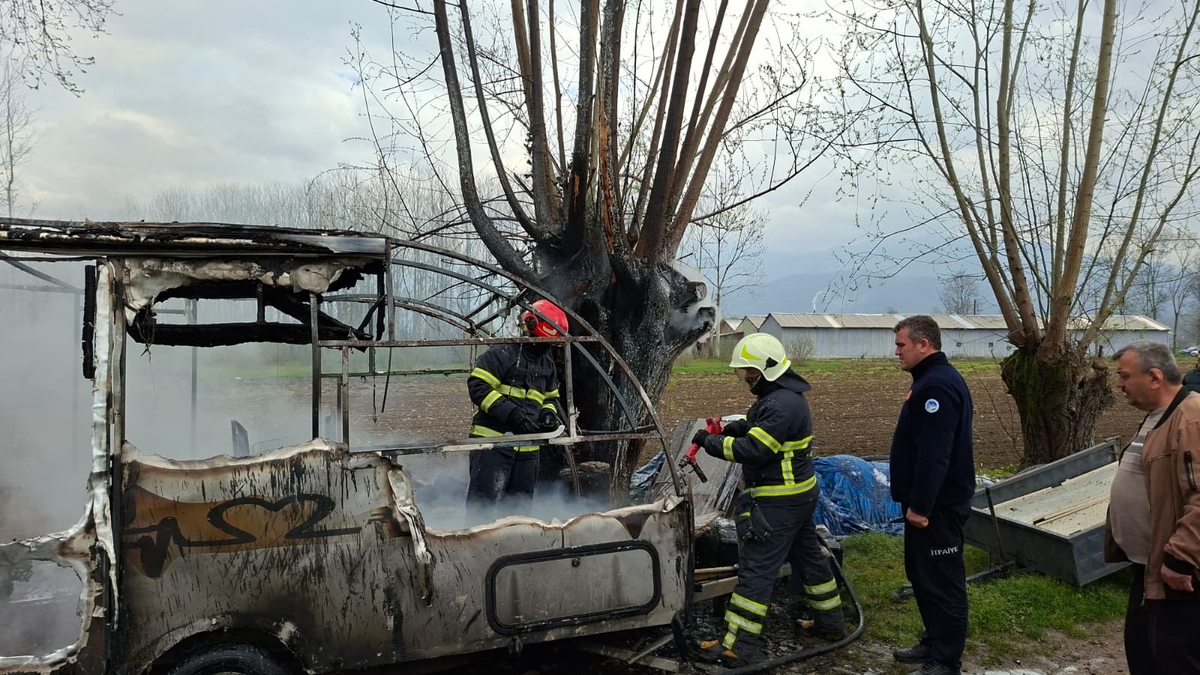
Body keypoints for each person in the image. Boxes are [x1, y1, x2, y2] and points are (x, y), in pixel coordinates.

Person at [691, 333, 845, 667]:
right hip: (799, 498)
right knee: (811, 560)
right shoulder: (783, 398)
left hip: (778, 503)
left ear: (765, 369)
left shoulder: (779, 404)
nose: (745, 378)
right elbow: (759, 428)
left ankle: (738, 647)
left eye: (748, 370)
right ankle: (832, 623)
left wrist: (709, 442)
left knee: (756, 571)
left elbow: (755, 450)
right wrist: (736, 427)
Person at [1104, 341, 1200, 675]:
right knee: (1144, 655)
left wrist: (1181, 558)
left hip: (1179, 576)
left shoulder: (1191, 418)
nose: (1118, 385)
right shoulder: (1157, 416)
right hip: (1148, 569)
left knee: (1174, 662)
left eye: (1124, 376)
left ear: (1155, 377)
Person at [889, 315, 975, 675]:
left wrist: (922, 506)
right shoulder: (930, 381)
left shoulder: (937, 387)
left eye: (901, 345)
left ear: (924, 345)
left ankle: (946, 659)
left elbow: (934, 453)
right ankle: (933, 641)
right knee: (922, 576)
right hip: (927, 506)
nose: (897, 353)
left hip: (937, 508)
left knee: (942, 582)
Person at [464, 299, 566, 519]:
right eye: (541, 342)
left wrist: (548, 414)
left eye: (549, 344)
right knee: (482, 512)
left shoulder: (546, 363)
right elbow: (478, 387)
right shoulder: (501, 354)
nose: (544, 349)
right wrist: (512, 414)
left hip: (528, 451)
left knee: (519, 515)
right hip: (493, 446)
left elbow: (550, 397)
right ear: (527, 329)